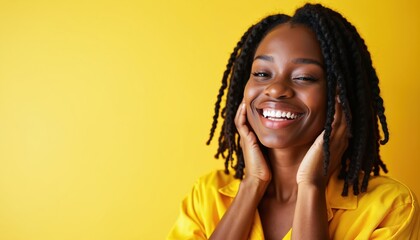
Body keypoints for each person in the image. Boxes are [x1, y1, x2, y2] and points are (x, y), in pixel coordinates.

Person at [168, 3, 420, 239]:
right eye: (262, 73)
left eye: (304, 77)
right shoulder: (206, 196)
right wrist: (252, 183)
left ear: (342, 97)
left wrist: (311, 186)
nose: (276, 89)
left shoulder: (389, 208)